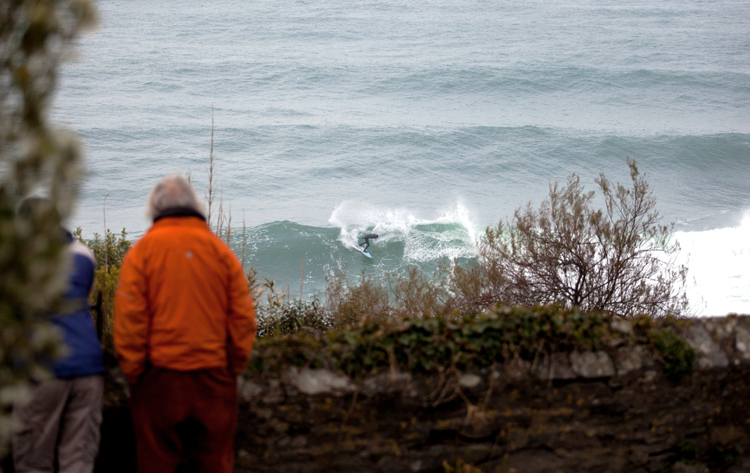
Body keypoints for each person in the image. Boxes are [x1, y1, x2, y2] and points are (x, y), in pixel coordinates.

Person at [114, 174, 257, 473]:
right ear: (196, 206)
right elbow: (243, 317)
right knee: (215, 464)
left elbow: (130, 321)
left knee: (157, 464)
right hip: (214, 376)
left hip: (159, 377)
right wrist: (232, 366)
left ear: (154, 209)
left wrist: (135, 373)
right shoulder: (221, 253)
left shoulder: (141, 253)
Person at [12, 197, 105, 473]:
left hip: (44, 368)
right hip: (88, 366)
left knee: (33, 462)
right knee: (77, 461)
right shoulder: (84, 255)